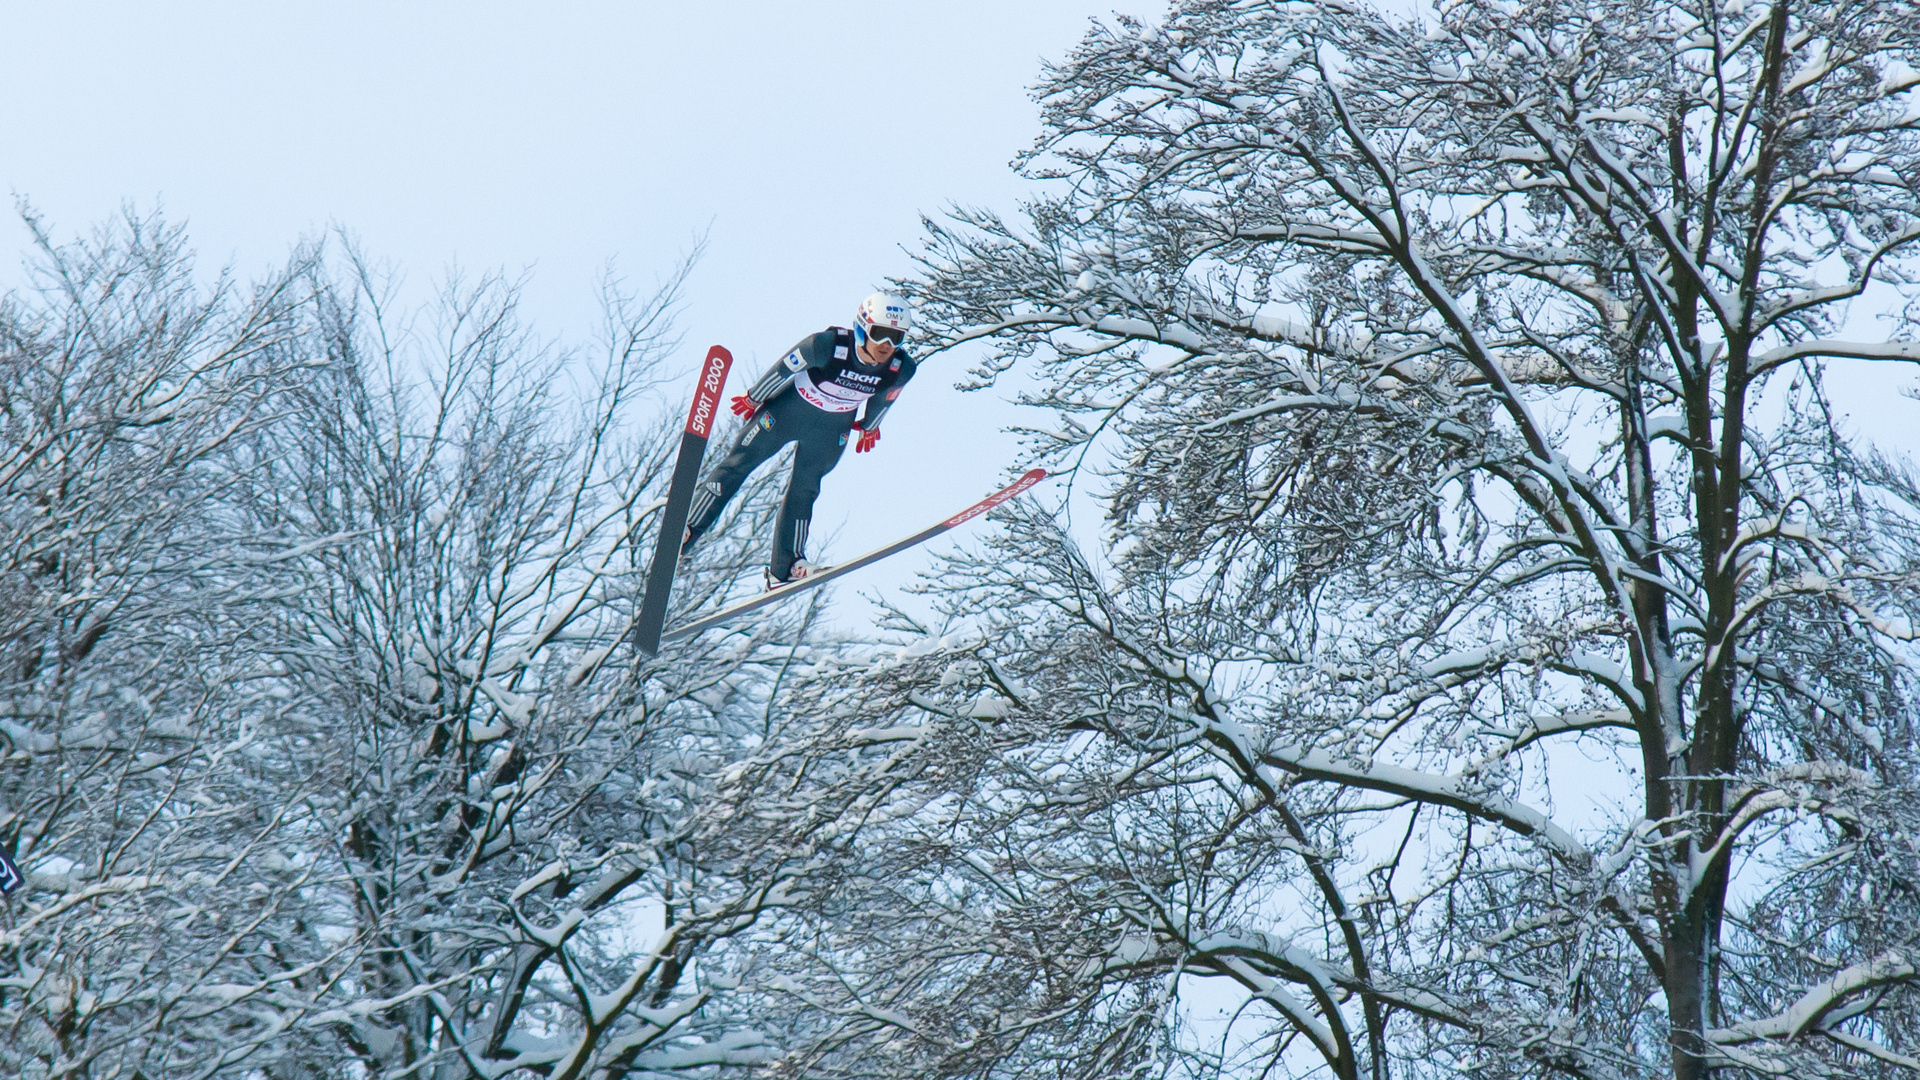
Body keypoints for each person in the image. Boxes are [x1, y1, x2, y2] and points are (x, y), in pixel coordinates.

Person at [682, 292, 917, 586]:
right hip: (787, 413)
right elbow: (785, 366)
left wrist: (870, 426)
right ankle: (688, 527)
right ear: (862, 328)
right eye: (881, 334)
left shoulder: (901, 368)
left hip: (832, 429)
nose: (887, 346)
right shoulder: (828, 346)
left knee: (806, 488)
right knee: (738, 464)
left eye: (897, 337)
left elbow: (884, 400)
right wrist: (755, 396)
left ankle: (788, 565)